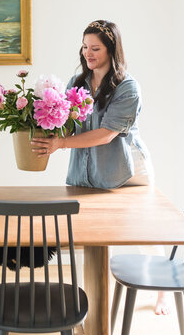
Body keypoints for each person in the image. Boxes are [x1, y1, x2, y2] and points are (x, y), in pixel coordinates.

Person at [31, 19, 169, 315]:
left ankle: (162, 292)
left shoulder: (128, 87)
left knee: (148, 232)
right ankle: (87, 305)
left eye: (95, 48)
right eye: (84, 47)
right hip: (86, 172)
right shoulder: (76, 83)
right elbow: (65, 124)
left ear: (111, 50)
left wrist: (60, 144)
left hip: (128, 172)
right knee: (84, 234)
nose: (88, 53)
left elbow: (107, 134)